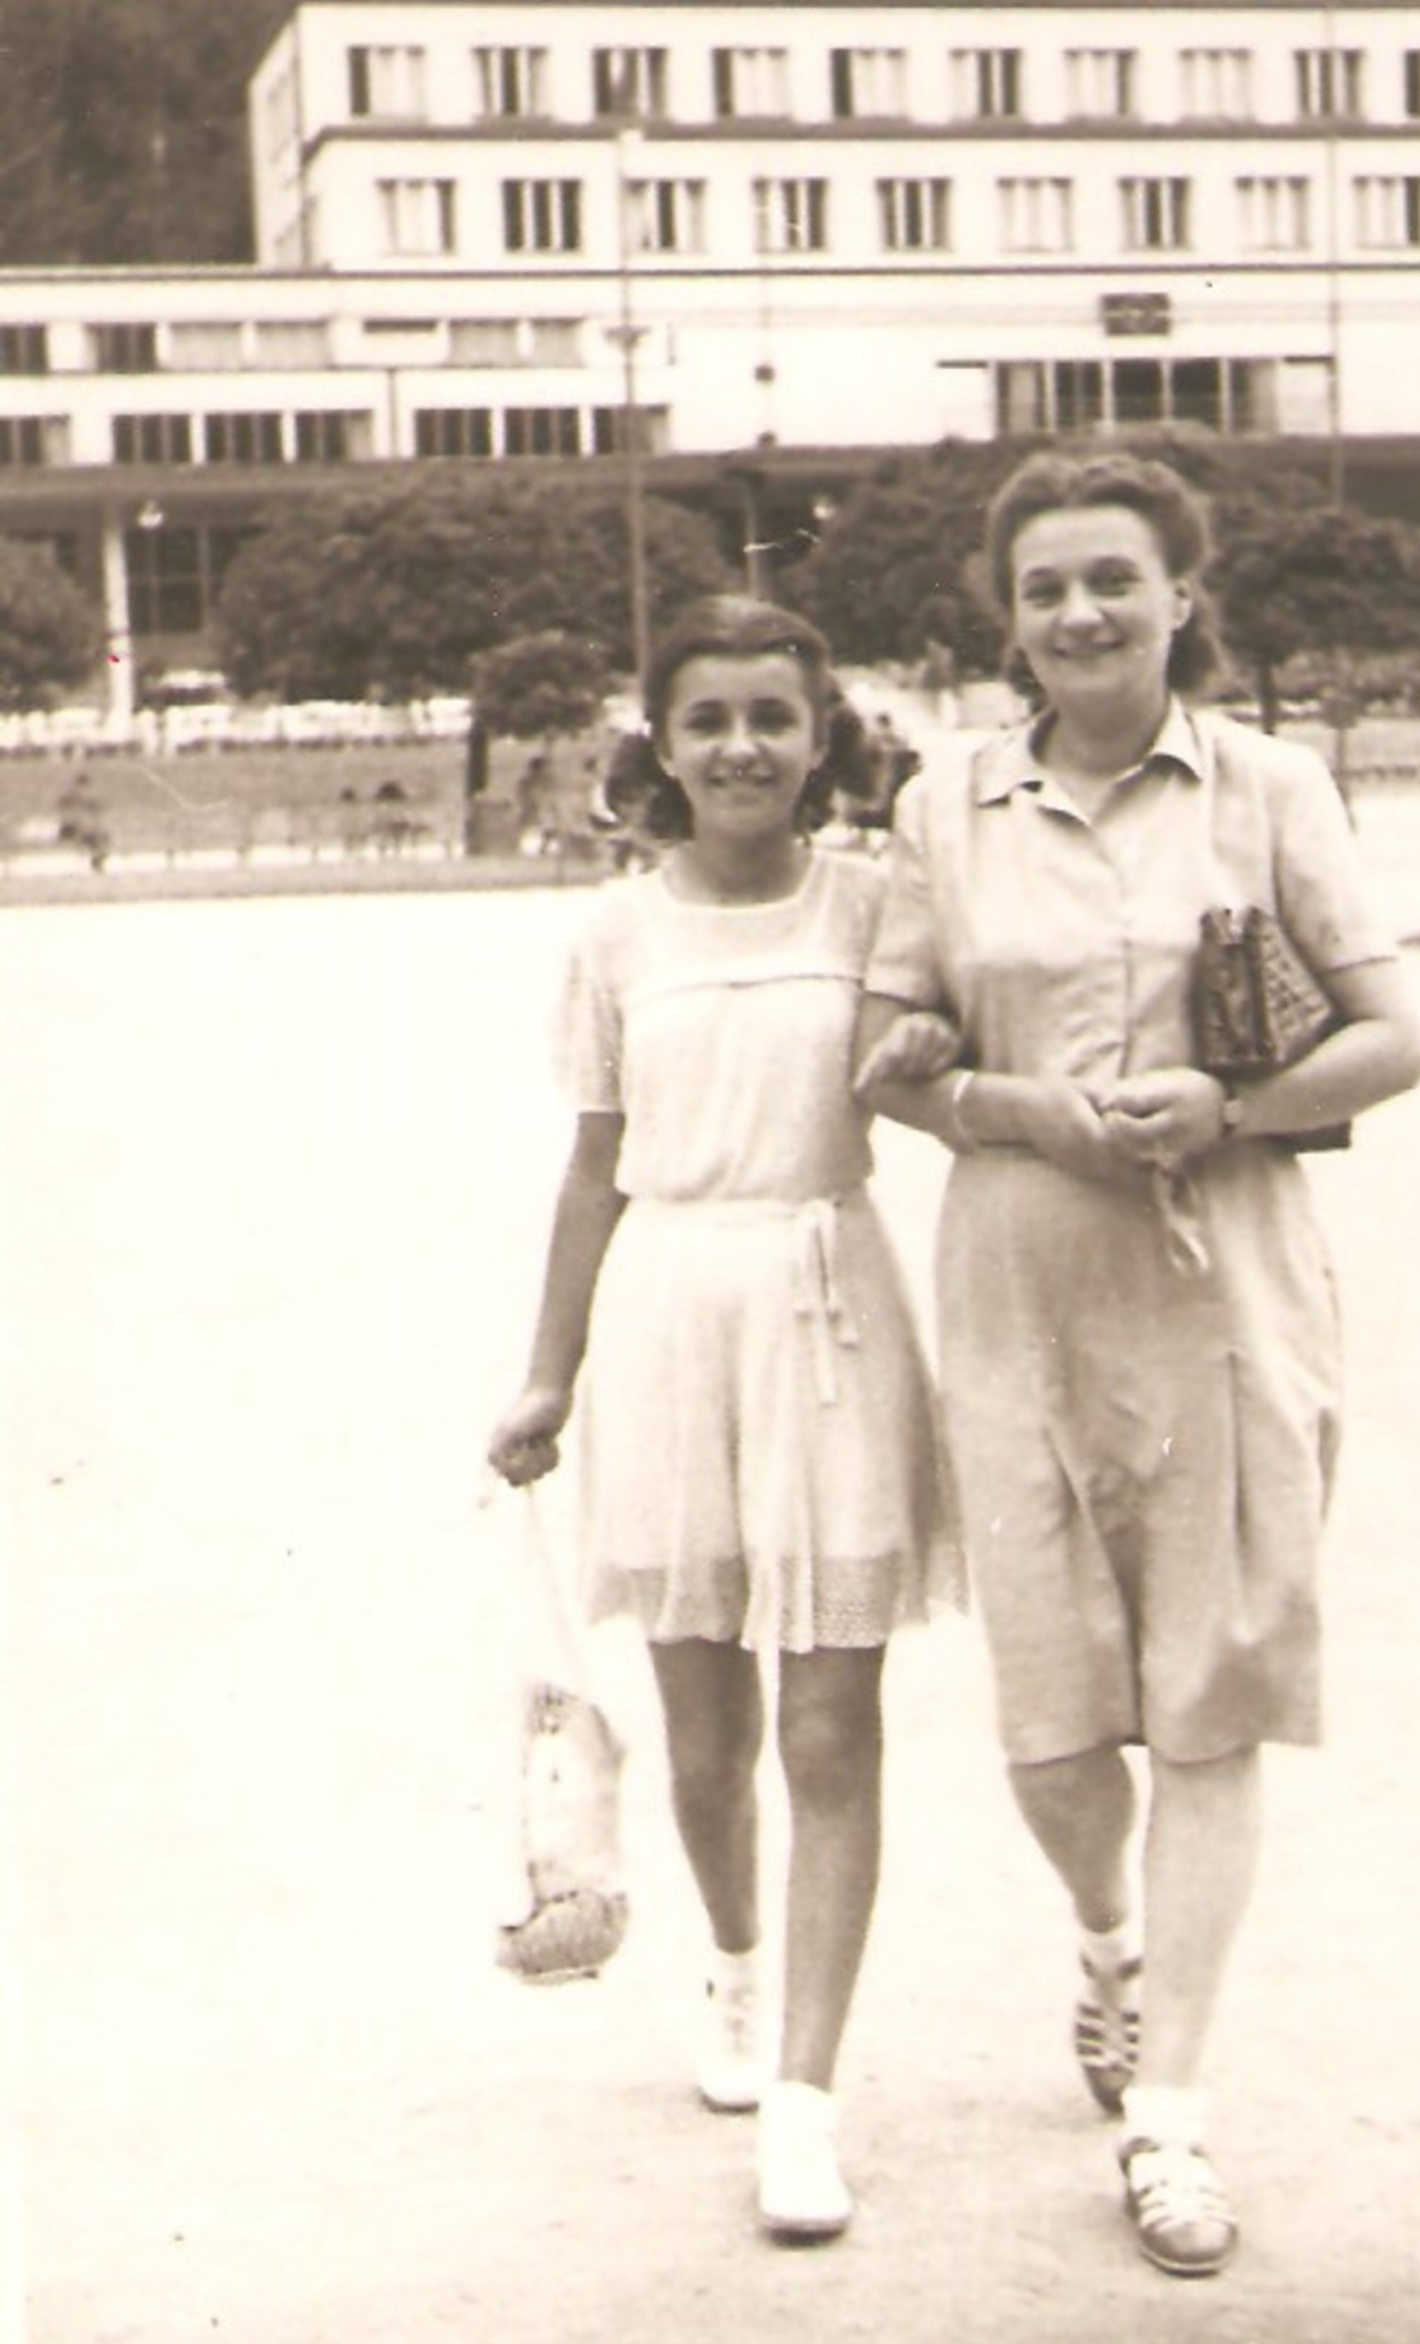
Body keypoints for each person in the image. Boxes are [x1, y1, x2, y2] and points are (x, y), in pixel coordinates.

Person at [851, 451, 1420, 2278]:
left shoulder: (1270, 790)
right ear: (1005, 620)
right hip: (1022, 1286)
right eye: (1044, 589)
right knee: (1051, 1724)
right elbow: (890, 1056)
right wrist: (1022, 1106)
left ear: (1183, 596)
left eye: (1115, 578)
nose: (1081, 613)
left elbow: (1393, 1037)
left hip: (1224, 1282)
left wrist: (1229, 1103)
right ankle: (1109, 1934)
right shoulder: (944, 806)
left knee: (1210, 1700)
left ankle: (1169, 2114)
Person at [487, 595, 961, 2244]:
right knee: (705, 1742)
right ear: (665, 748)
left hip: (829, 1303)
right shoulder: (615, 934)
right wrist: (547, 1373)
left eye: (775, 716)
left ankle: (809, 2105)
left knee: (831, 1730)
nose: (744, 746)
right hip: (670, 1317)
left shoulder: (879, 901)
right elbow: (593, 1169)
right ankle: (739, 1969)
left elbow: (939, 1067)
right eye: (711, 720)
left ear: (822, 739)